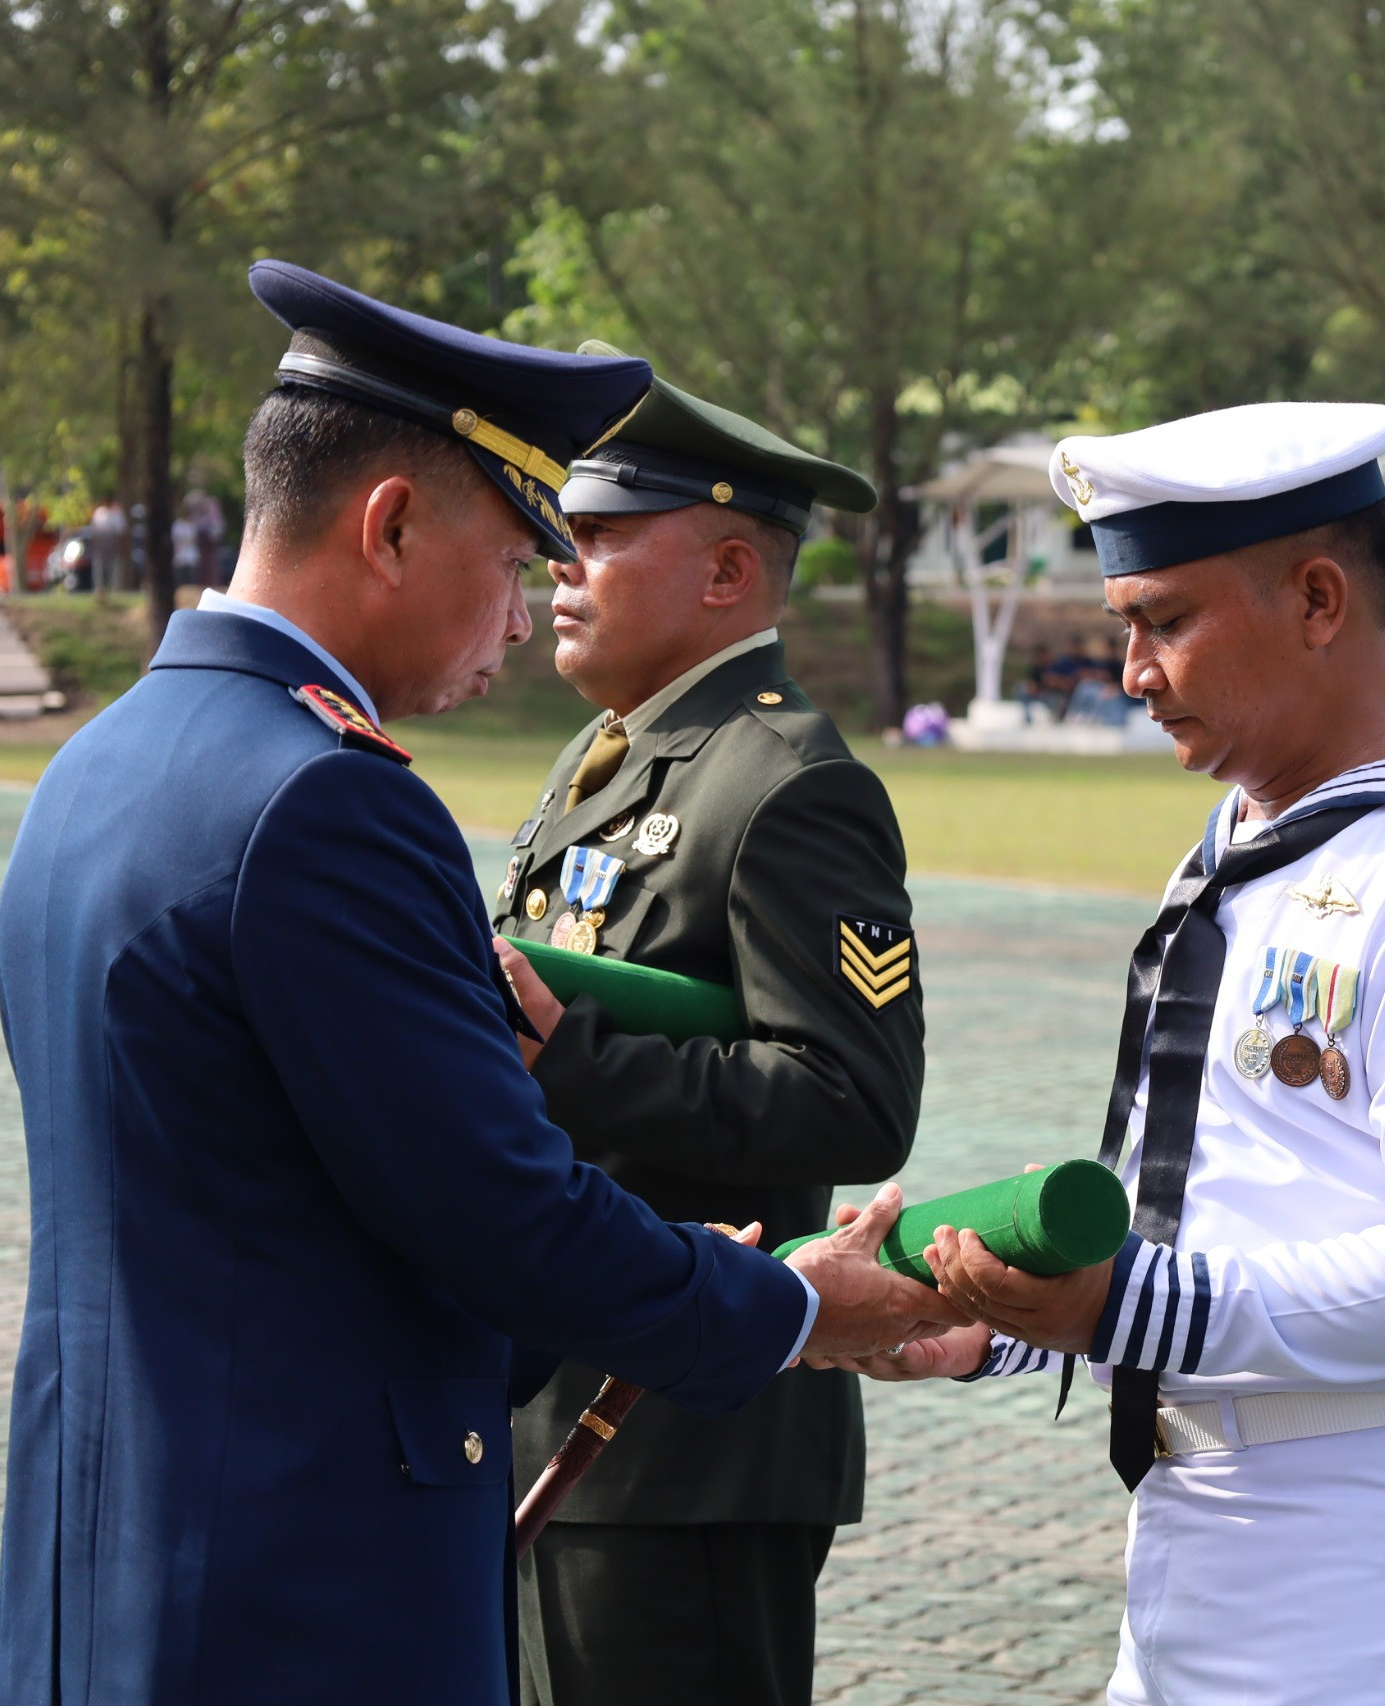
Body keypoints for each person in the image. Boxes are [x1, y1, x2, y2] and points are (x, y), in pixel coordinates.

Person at [0, 261, 960, 1705]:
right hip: (295, 1572)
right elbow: (498, 1209)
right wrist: (788, 1304)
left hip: (109, 1542)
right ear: (389, 526)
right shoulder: (325, 801)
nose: (523, 615)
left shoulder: (105, 762)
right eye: (515, 559)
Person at [817, 401, 1385, 1706]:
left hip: (1377, 1566)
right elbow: (1219, 1202)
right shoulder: (1247, 849)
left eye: (1165, 618)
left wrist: (1121, 1306)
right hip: (1209, 1535)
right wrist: (1002, 1321)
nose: (1133, 668)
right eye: (1124, 626)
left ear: (1319, 597)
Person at [495, 372, 916, 1706]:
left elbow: (853, 1099)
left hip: (689, 1435)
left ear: (730, 568)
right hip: (566, 1402)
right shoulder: (608, 759)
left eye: (605, 536)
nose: (564, 564)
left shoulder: (789, 783)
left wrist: (574, 1062)